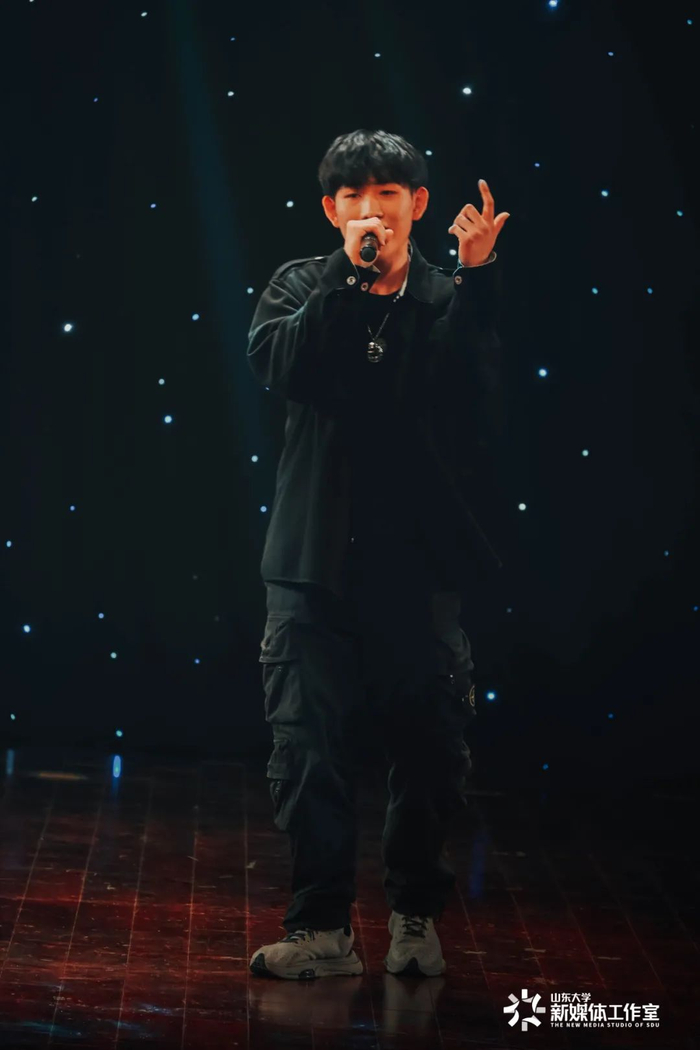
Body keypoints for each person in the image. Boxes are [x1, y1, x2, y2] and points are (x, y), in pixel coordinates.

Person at [246, 129, 510, 980]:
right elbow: (283, 366)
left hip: (416, 567)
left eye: (387, 194)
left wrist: (477, 276)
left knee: (429, 750)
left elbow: (474, 390)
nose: (371, 210)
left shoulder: (446, 295)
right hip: (311, 565)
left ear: (418, 204)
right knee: (306, 752)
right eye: (353, 197)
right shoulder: (301, 286)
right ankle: (321, 928)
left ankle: (413, 917)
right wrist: (352, 285)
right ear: (332, 210)